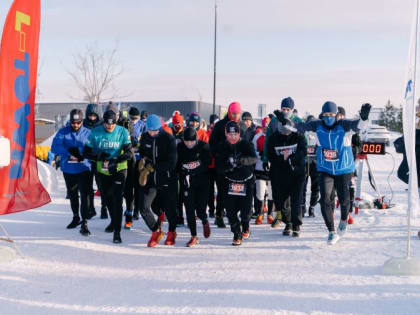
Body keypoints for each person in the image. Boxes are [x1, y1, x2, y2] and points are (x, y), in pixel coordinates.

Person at [277, 102, 371, 244]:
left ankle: (344, 219)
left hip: (343, 169)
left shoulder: (343, 125)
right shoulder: (317, 125)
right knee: (325, 199)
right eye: (325, 115)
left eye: (331, 115)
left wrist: (364, 118)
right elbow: (298, 128)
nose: (328, 118)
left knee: (344, 199)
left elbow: (358, 126)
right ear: (322, 115)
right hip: (325, 169)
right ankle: (331, 231)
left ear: (336, 115)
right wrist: (284, 121)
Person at [83, 110, 133, 243]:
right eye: (107, 124)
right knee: (108, 199)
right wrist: (98, 156)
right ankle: (113, 221)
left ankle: (117, 231)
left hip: (119, 169)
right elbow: (86, 152)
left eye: (112, 124)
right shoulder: (95, 132)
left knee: (117, 199)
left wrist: (116, 159)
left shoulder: (123, 132)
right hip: (103, 171)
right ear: (103, 122)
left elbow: (129, 153)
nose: (109, 127)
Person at [137, 114, 178, 247]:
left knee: (168, 207)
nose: (152, 133)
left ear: (159, 128)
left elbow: (172, 163)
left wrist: (155, 167)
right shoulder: (144, 137)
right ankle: (156, 231)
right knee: (144, 207)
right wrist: (142, 160)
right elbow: (142, 151)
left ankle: (172, 231)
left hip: (165, 178)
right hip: (150, 179)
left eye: (154, 130)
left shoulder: (168, 139)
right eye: (149, 130)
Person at [214, 121, 257, 245]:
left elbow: (253, 158)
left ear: (239, 134)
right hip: (230, 183)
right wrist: (228, 166)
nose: (232, 137)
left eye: (235, 134)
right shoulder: (222, 146)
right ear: (226, 134)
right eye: (230, 134)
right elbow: (219, 165)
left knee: (246, 212)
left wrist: (241, 161)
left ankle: (245, 225)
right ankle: (237, 234)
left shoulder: (246, 144)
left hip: (246, 182)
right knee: (231, 212)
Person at [51, 109, 92, 236]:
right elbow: (54, 147)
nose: (75, 125)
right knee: (73, 195)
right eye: (73, 123)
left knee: (85, 195)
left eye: (78, 123)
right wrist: (69, 151)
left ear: (82, 121)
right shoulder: (63, 131)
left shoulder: (88, 133)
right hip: (68, 169)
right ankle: (76, 217)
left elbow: (93, 148)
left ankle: (84, 221)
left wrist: (80, 152)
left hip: (84, 168)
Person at [266, 118, 307, 236]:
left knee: (296, 200)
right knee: (280, 201)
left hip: (296, 174)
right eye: (282, 132)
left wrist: (292, 159)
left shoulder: (298, 136)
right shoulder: (274, 138)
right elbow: (270, 154)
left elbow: (303, 151)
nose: (284, 134)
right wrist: (281, 160)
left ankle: (296, 225)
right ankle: (288, 222)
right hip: (279, 174)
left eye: (287, 132)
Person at [209, 101, 244, 228]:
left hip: (237, 165)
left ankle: (232, 215)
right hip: (222, 164)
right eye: (233, 113)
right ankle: (219, 215)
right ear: (229, 113)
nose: (235, 116)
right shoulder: (219, 126)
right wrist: (219, 153)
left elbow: (246, 144)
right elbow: (211, 144)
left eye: (237, 114)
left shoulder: (241, 126)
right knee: (223, 190)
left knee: (235, 191)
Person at [177, 127, 212, 247]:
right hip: (187, 182)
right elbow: (177, 164)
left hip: (202, 181)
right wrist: (183, 169)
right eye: (186, 142)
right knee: (189, 209)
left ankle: (205, 220)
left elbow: (207, 163)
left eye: (191, 142)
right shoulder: (180, 147)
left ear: (196, 140)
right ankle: (194, 236)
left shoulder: (203, 146)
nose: (189, 144)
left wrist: (193, 169)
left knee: (201, 209)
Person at [82, 103, 107, 219]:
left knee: (102, 185)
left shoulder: (103, 125)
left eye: (94, 116)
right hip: (87, 160)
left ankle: (104, 207)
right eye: (90, 116)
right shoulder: (83, 124)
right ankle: (90, 208)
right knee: (87, 186)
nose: (92, 118)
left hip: (99, 159)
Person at [252, 116, 274, 224]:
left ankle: (270, 214)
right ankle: (260, 214)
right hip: (260, 168)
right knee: (260, 192)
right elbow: (252, 151)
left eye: (268, 127)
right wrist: (259, 154)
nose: (266, 128)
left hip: (271, 169)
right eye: (264, 127)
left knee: (271, 193)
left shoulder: (274, 137)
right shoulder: (257, 137)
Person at [302, 115, 319, 218]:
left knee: (315, 188)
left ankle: (312, 207)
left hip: (315, 165)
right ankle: (302, 206)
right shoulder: (303, 133)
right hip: (304, 164)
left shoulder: (318, 134)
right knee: (302, 187)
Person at [171, 112, 186, 227]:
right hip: (171, 168)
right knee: (173, 193)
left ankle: (181, 216)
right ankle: (173, 215)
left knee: (182, 193)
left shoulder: (185, 134)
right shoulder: (169, 133)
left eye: (179, 125)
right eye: (175, 125)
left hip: (182, 168)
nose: (177, 127)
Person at [207, 114, 219, 218]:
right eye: (213, 123)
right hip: (209, 165)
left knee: (220, 188)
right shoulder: (207, 133)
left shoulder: (221, 132)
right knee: (210, 189)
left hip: (219, 165)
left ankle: (220, 209)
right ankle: (211, 209)